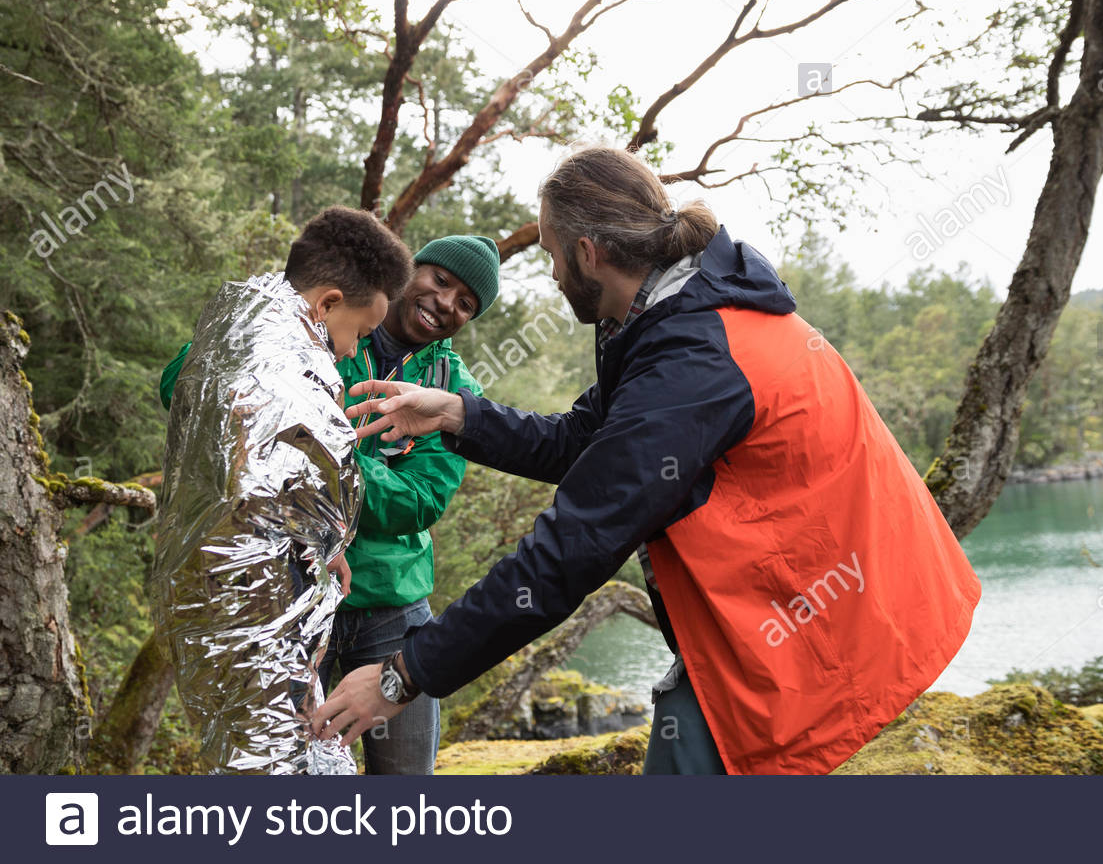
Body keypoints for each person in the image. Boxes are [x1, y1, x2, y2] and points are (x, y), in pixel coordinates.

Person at [313, 146, 982, 775]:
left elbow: (577, 543)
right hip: (774, 616)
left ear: (586, 251)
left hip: (830, 620)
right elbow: (584, 443)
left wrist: (406, 674)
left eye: (549, 253)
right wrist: (458, 414)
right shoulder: (668, 319)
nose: (549, 273)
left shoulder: (696, 354)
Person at [159, 232, 499, 775]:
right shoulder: (304, 321)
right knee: (277, 767)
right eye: (440, 281)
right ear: (412, 271)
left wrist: (319, 448)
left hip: (390, 604)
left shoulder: (452, 390)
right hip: (285, 589)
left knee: (406, 782)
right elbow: (183, 386)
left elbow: (418, 503)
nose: (446, 304)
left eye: (466, 304)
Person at [151, 205, 412, 774]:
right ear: (327, 304)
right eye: (359, 333)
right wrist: (329, 536)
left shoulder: (240, 321)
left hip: (218, 581)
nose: (350, 350)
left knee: (263, 745)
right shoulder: (279, 358)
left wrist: (328, 545)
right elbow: (270, 477)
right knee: (272, 758)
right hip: (254, 591)